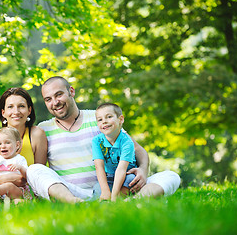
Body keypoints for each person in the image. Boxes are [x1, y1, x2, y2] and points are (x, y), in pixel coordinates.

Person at [27, 76, 181, 203]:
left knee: (170, 176)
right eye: (48, 99)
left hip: (113, 187)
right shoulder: (43, 128)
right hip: (73, 192)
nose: (55, 102)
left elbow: (138, 150)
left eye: (59, 94)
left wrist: (142, 170)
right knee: (34, 170)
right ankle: (76, 204)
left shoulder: (99, 118)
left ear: (71, 91)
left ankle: (129, 203)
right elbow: (42, 169)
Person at [92, 103, 136, 201]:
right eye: (100, 119)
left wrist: (114, 195)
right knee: (97, 188)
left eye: (109, 117)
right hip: (109, 177)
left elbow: (121, 169)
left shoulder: (127, 141)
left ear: (120, 119)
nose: (104, 121)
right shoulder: (96, 141)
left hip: (126, 175)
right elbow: (99, 167)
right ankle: (108, 197)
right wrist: (105, 191)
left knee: (131, 180)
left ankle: (117, 199)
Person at [0, 127, 32, 204]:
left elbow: (27, 175)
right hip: (2, 193)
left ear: (17, 145)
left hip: (18, 190)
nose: (3, 146)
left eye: (7, 143)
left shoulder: (19, 159)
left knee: (8, 186)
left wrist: (20, 168)